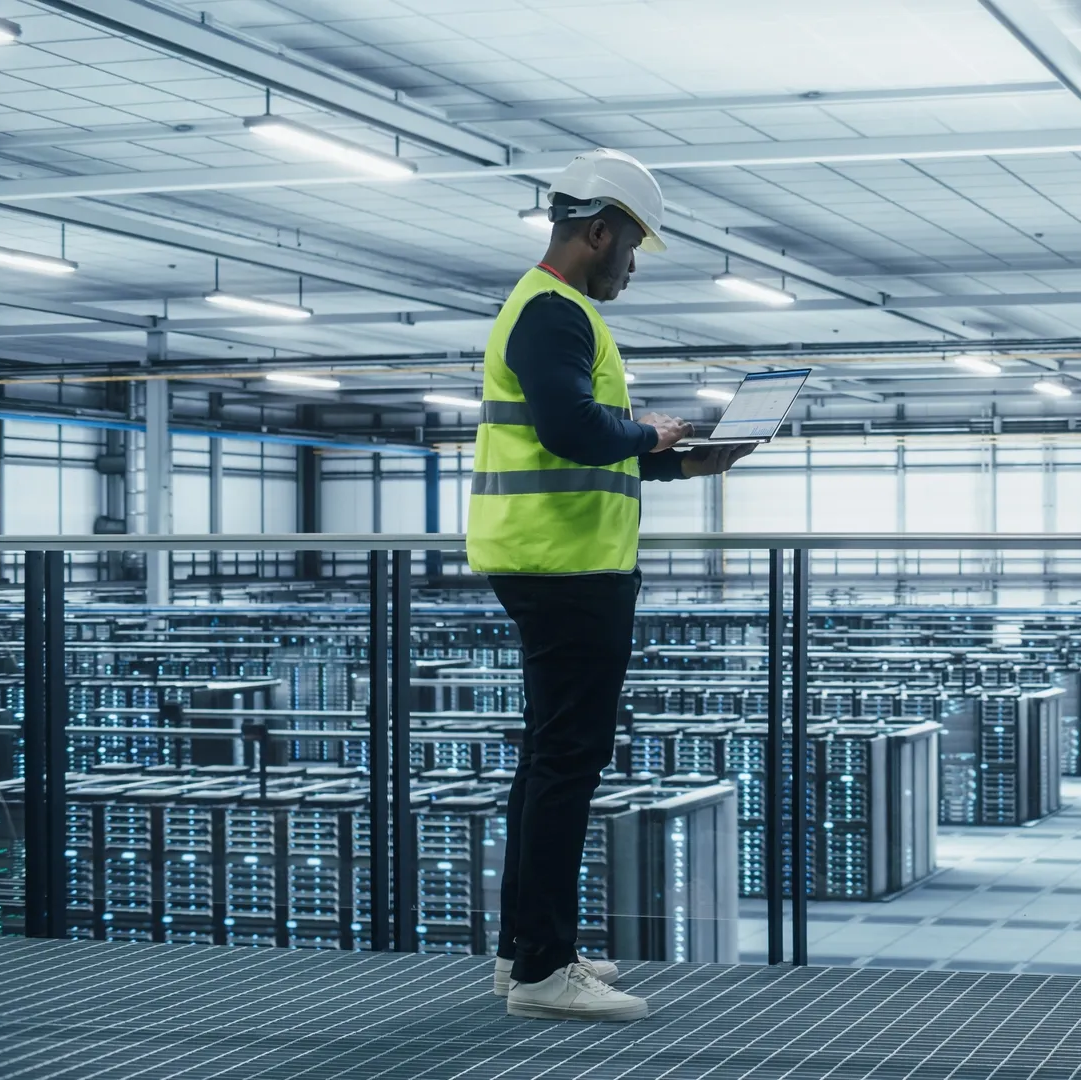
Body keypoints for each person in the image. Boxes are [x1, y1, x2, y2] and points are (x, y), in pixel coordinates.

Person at [467, 148, 753, 1022]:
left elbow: (590, 447)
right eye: (632, 247)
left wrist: (682, 463)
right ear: (599, 233)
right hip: (566, 567)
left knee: (547, 763)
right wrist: (650, 433)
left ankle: (528, 953)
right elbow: (573, 429)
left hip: (553, 558)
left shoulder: (548, 312)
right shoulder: (554, 313)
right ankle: (546, 975)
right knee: (567, 763)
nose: (632, 265)